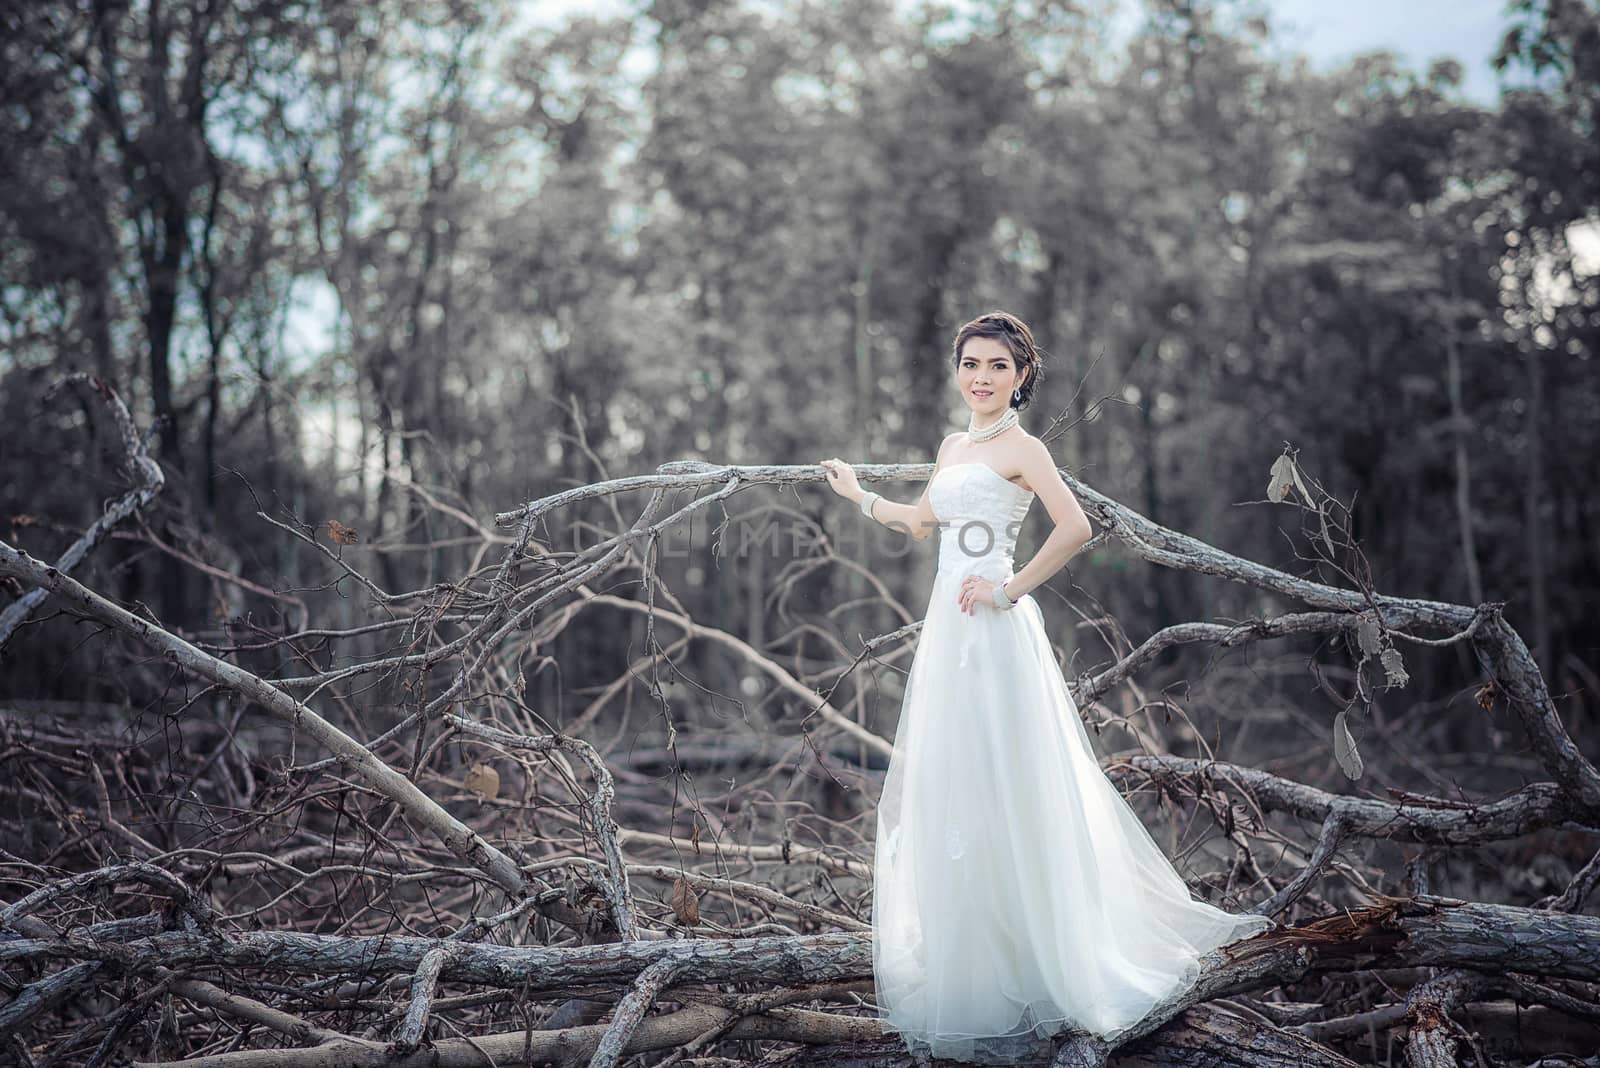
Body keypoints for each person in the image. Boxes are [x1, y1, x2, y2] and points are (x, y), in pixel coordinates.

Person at [819, 310, 1272, 1063]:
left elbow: (1075, 528)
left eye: (999, 365)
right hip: (947, 634)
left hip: (994, 634)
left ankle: (1048, 957)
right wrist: (856, 493)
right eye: (971, 363)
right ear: (957, 369)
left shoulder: (1024, 448)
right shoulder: (954, 443)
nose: (982, 377)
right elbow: (921, 524)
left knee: (1010, 780)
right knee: (957, 785)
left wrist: (1011, 589)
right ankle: (980, 957)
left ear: (1022, 376)